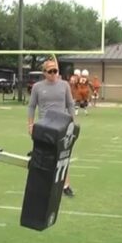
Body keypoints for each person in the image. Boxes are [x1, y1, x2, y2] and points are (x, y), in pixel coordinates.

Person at [28, 59, 77, 197]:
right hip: (44, 126)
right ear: (44, 73)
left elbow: (70, 104)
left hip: (61, 125)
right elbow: (31, 106)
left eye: (55, 70)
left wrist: (73, 122)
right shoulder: (37, 87)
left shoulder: (64, 85)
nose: (53, 73)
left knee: (62, 155)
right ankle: (43, 186)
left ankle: (65, 185)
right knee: (43, 157)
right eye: (50, 71)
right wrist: (30, 124)